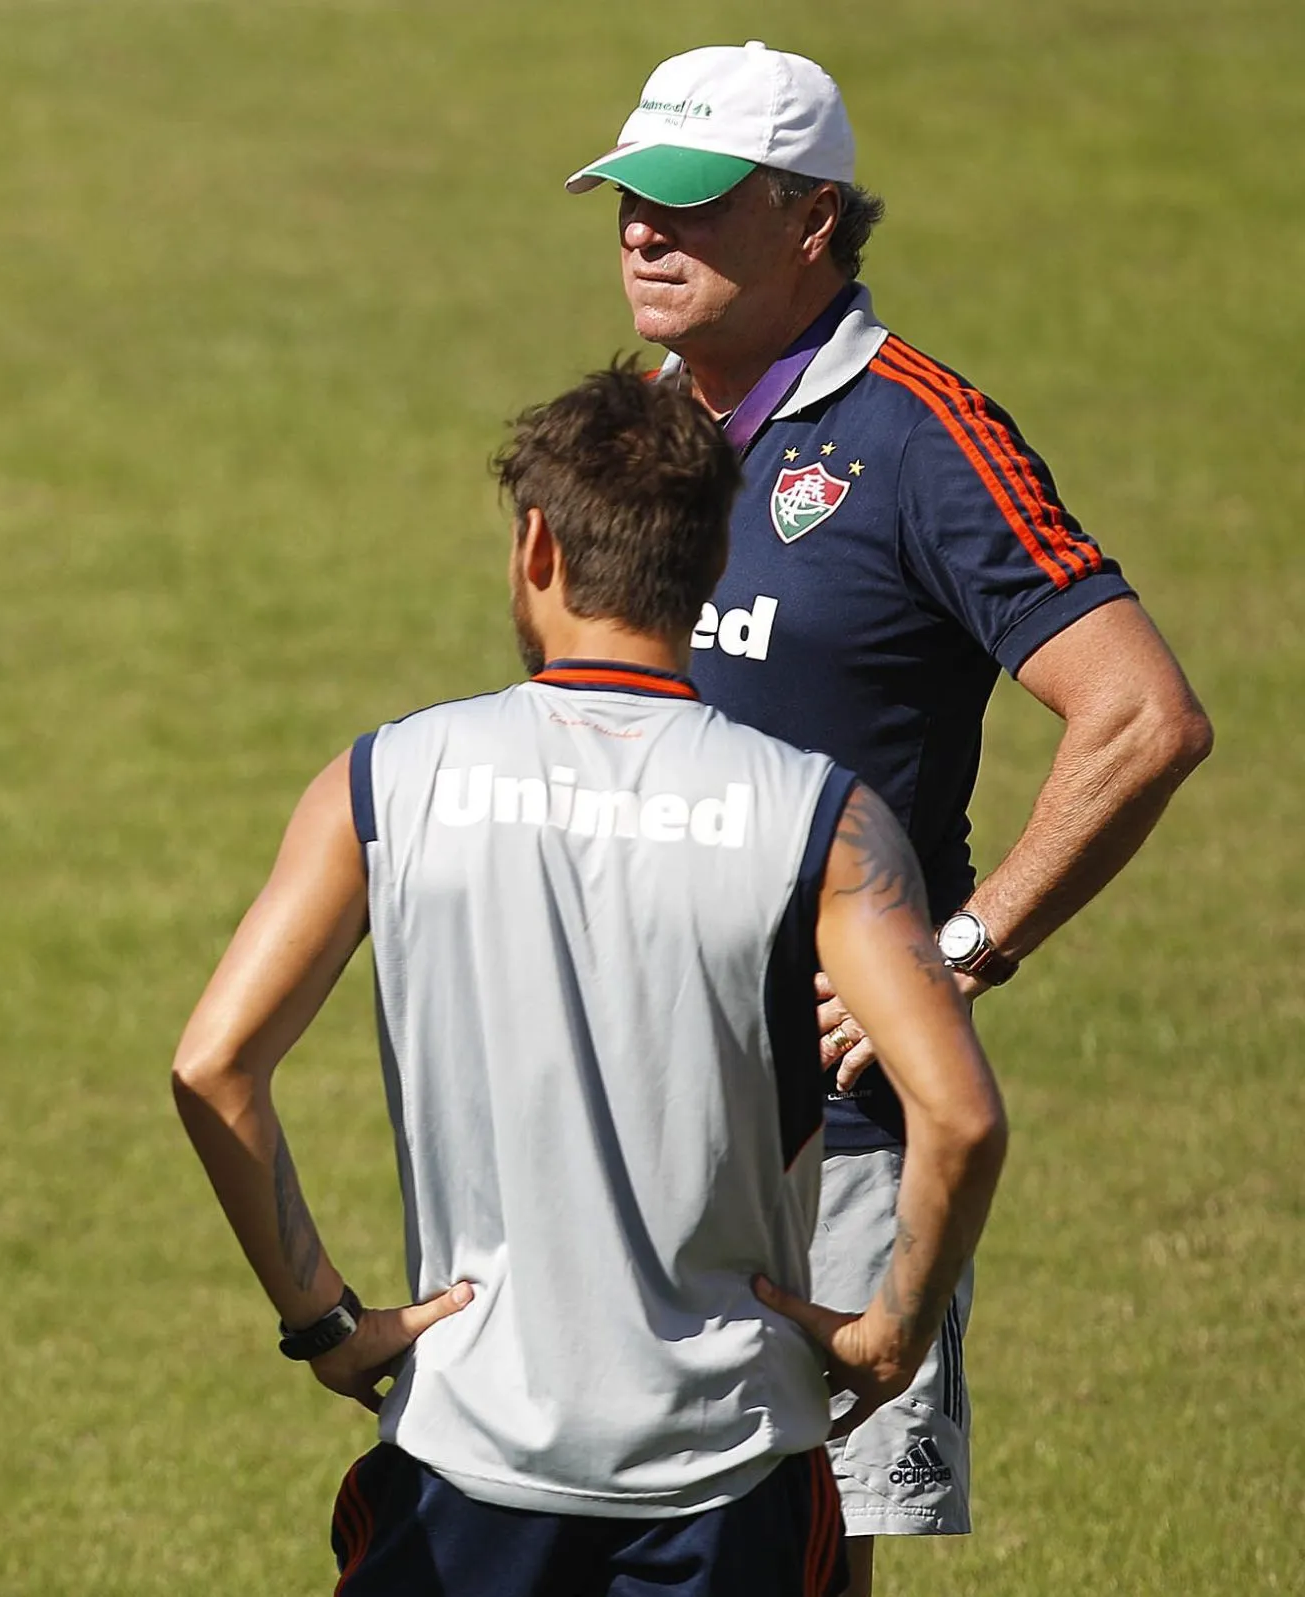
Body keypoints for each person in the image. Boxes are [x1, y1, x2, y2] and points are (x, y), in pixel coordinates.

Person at [171, 365, 1009, 1596]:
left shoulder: (385, 783)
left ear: (533, 547)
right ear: (715, 562)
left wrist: (327, 1321)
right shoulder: (820, 819)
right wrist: (888, 1330)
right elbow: (961, 1113)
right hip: (729, 1476)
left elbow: (213, 1065)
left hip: (465, 1461)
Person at [565, 40, 1213, 1592]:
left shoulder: (926, 441)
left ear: (812, 219)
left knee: (813, 1539)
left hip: (837, 1137)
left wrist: (964, 951)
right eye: (629, 198)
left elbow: (1142, 714)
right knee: (590, 1519)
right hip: (617, 1091)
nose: (642, 230)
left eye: (690, 201)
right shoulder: (621, 430)